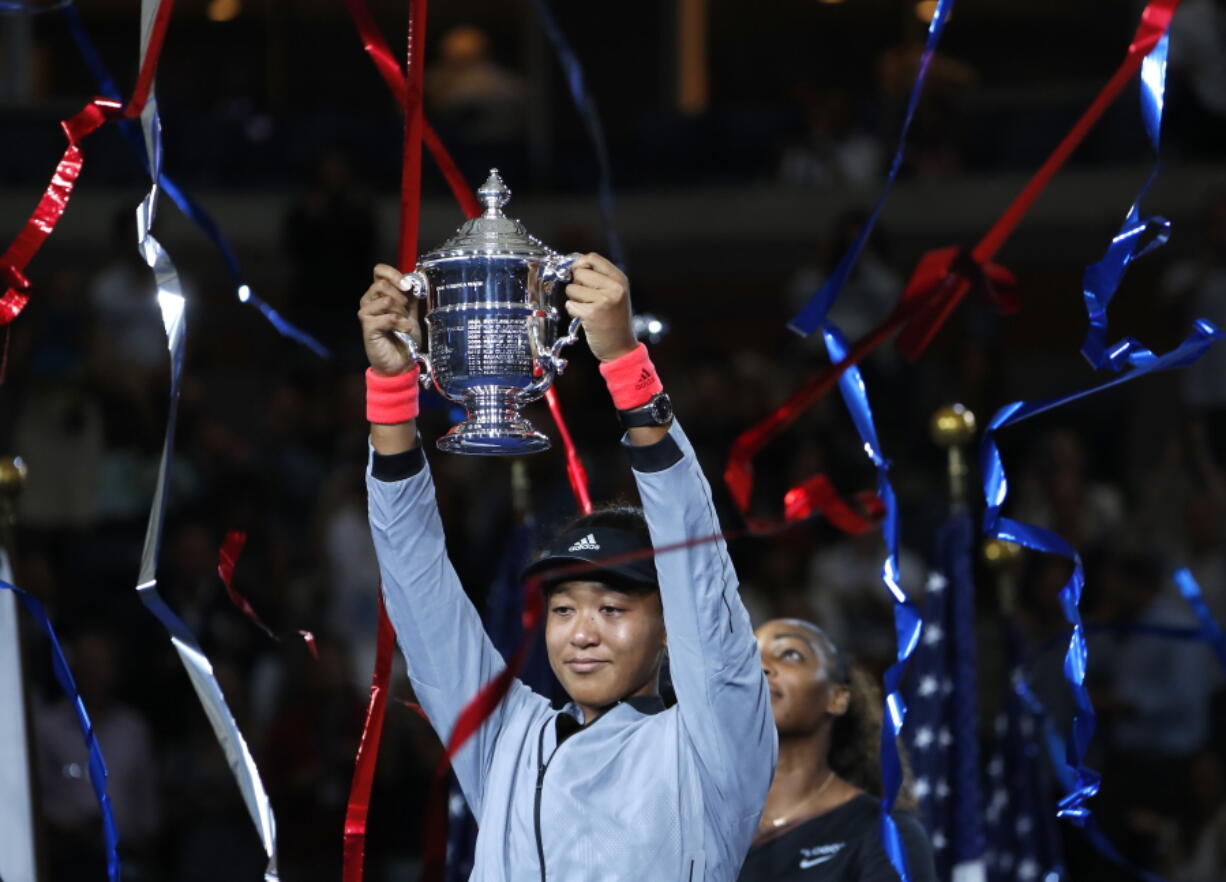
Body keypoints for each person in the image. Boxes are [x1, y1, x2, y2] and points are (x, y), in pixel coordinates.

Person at [357, 253, 776, 880]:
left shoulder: (711, 745)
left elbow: (698, 569)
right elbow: (418, 587)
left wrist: (626, 367)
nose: (581, 633)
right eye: (563, 609)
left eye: (611, 608)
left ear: (668, 627)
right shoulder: (505, 739)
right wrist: (391, 390)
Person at [739, 619, 936, 881]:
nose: (760, 666)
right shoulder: (698, 824)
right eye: (747, 656)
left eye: (790, 654)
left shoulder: (887, 833)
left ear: (837, 698)